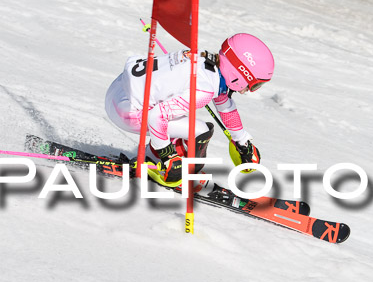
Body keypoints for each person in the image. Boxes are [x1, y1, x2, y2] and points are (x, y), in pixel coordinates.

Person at [105, 33, 274, 187]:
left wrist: (242, 141)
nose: (250, 90)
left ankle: (154, 157)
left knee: (178, 110)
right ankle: (162, 166)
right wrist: (168, 155)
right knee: (200, 132)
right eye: (254, 84)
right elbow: (156, 116)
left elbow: (225, 104)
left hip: (118, 91)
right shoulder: (204, 89)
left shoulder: (203, 59)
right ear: (240, 73)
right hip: (127, 112)